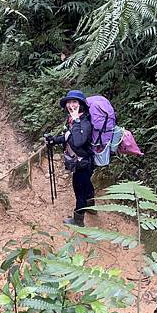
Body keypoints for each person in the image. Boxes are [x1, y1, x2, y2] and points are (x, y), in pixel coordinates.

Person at [46, 90, 95, 227]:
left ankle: (78, 220)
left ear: (81, 105)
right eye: (69, 102)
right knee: (86, 185)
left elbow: (78, 141)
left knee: (79, 191)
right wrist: (54, 140)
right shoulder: (74, 120)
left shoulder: (83, 122)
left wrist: (76, 120)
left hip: (83, 163)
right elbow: (69, 137)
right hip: (84, 162)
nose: (71, 105)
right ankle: (91, 205)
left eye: (74, 102)